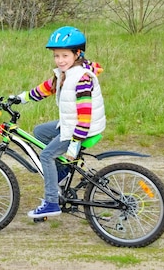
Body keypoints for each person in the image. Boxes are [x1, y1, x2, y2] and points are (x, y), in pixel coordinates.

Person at [10, 26, 105, 219]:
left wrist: (74, 144)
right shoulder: (66, 73)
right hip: (72, 124)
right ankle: (61, 175)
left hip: (80, 129)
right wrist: (20, 98)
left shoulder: (81, 79)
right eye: (56, 56)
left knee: (46, 156)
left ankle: (51, 202)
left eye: (64, 56)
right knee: (40, 132)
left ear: (77, 54)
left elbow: (84, 117)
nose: (60, 60)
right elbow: (45, 88)